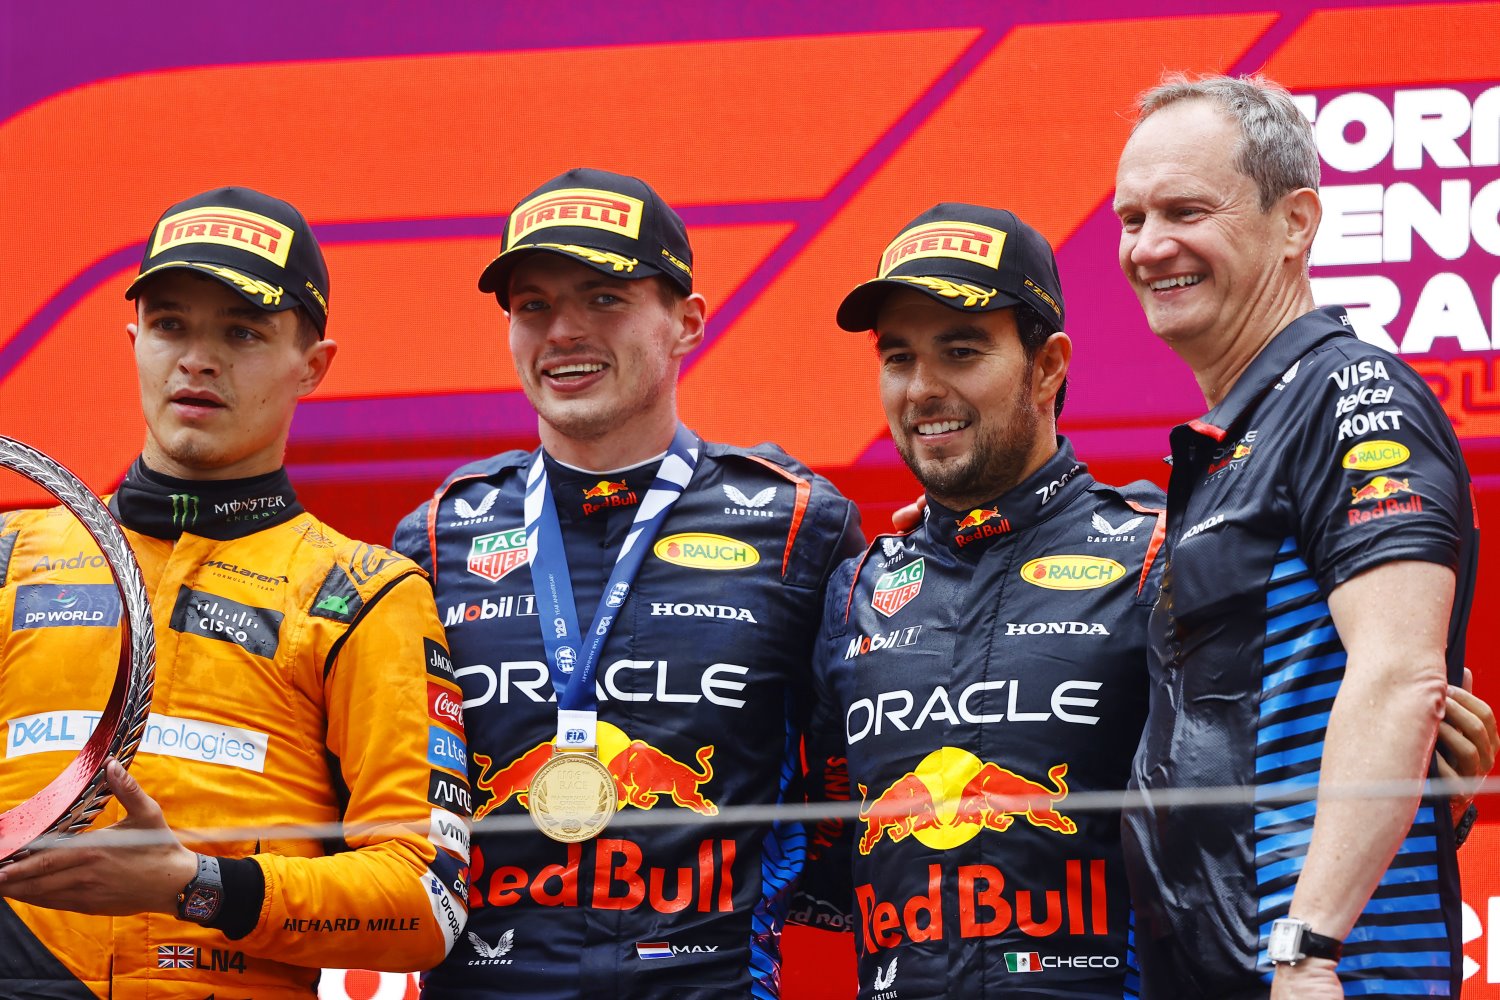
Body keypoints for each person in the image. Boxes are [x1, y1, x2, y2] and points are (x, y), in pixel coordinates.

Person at [393, 168, 862, 998]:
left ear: (688, 323)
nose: (563, 331)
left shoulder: (799, 525)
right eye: (532, 305)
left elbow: (840, 779)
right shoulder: (437, 532)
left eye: (604, 298)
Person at [0, 187, 470, 999]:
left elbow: (428, 906)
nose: (197, 359)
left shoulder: (362, 593)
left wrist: (195, 884)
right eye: (170, 324)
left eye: (242, 332)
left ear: (314, 366)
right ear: (135, 339)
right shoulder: (11, 558)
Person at [1113, 74, 1480, 998]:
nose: (1150, 247)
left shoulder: (1351, 397)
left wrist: (1307, 950)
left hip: (1320, 977)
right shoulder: (1237, 439)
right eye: (1130, 220)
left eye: (1186, 211)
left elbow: (1400, 678)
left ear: (1296, 222)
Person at [793, 202, 1167, 999]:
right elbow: (806, 842)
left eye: (961, 352)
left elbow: (1266, 800)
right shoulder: (856, 589)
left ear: (1048, 365)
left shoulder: (1156, 553)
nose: (924, 389)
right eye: (899, 357)